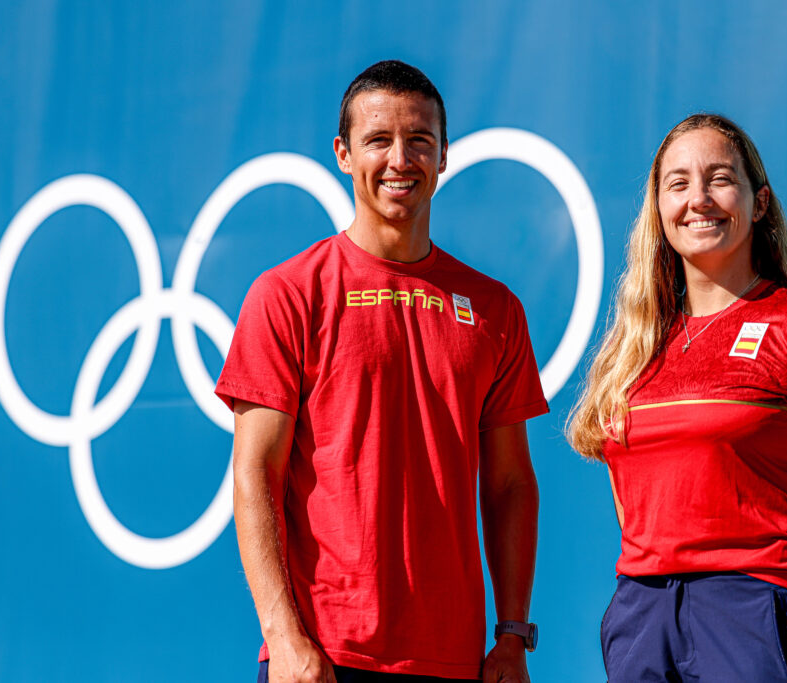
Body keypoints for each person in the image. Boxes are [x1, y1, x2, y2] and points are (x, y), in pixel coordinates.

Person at [216, 60, 548, 683]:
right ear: (343, 153)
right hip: (324, 657)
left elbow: (509, 485)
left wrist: (511, 634)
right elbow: (254, 474)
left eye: (420, 140)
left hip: (455, 661)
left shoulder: (496, 308)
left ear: (444, 155)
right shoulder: (288, 294)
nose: (401, 159)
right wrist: (283, 637)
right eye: (378, 141)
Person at [567, 114, 787, 682]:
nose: (698, 199)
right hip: (643, 619)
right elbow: (639, 510)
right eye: (678, 183)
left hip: (765, 614)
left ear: (760, 203)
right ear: (659, 212)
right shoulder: (632, 348)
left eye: (719, 178)